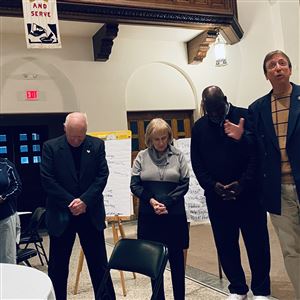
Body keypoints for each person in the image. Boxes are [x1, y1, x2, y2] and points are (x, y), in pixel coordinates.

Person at [227, 50, 300, 300]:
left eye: (282, 63)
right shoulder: (257, 109)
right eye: (272, 65)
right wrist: (241, 137)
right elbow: (255, 146)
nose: (278, 68)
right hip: (278, 191)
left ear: (290, 69)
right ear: (266, 75)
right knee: (291, 250)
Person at [191, 86, 271, 300]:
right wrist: (212, 185)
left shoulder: (245, 116)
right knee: (226, 245)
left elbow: (257, 155)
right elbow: (197, 163)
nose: (215, 116)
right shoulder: (199, 127)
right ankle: (237, 287)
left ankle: (261, 289)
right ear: (204, 107)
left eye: (218, 110)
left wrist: (242, 184)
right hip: (218, 198)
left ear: (225, 100)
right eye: (211, 112)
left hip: (249, 195)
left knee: (257, 243)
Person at [40, 112, 115, 300]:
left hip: (89, 213)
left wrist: (85, 201)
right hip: (61, 214)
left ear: (86, 131)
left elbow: (102, 176)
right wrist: (70, 202)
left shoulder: (97, 145)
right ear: (65, 128)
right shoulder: (51, 147)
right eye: (72, 136)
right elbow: (48, 180)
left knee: (99, 264)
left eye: (80, 136)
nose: (76, 140)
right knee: (58, 266)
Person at [130, 118, 189, 300]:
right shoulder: (142, 156)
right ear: (149, 139)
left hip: (174, 215)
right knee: (154, 262)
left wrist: (167, 202)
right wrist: (152, 201)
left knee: (177, 262)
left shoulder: (178, 156)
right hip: (150, 215)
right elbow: (135, 185)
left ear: (169, 137)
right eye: (157, 139)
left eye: (164, 138)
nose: (161, 143)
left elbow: (184, 184)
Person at [0, 158, 22, 264]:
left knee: (7, 256)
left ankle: (8, 280)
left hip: (5, 216)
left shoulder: (6, 165)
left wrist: (4, 197)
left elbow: (17, 186)